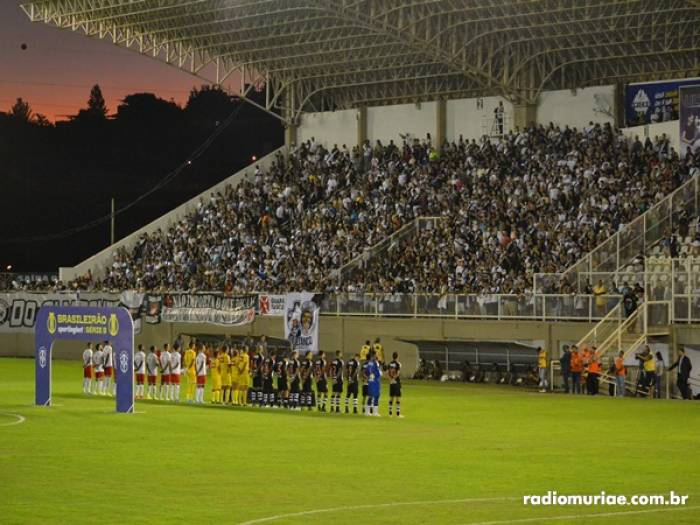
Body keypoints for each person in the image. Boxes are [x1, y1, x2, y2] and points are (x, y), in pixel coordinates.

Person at [366, 351, 382, 416]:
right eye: (376, 355)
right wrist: (380, 373)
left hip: (370, 381)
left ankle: (367, 412)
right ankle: (375, 412)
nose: (377, 356)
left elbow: (366, 372)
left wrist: (369, 377)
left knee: (370, 396)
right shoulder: (375, 363)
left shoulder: (369, 363)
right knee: (376, 396)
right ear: (374, 355)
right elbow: (378, 372)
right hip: (375, 381)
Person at [387, 352, 403, 417]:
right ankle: (398, 414)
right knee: (398, 397)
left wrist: (391, 380)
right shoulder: (397, 364)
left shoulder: (390, 364)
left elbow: (388, 373)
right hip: (396, 382)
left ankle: (390, 413)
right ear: (397, 356)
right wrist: (394, 379)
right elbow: (398, 373)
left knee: (391, 397)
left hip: (391, 382)